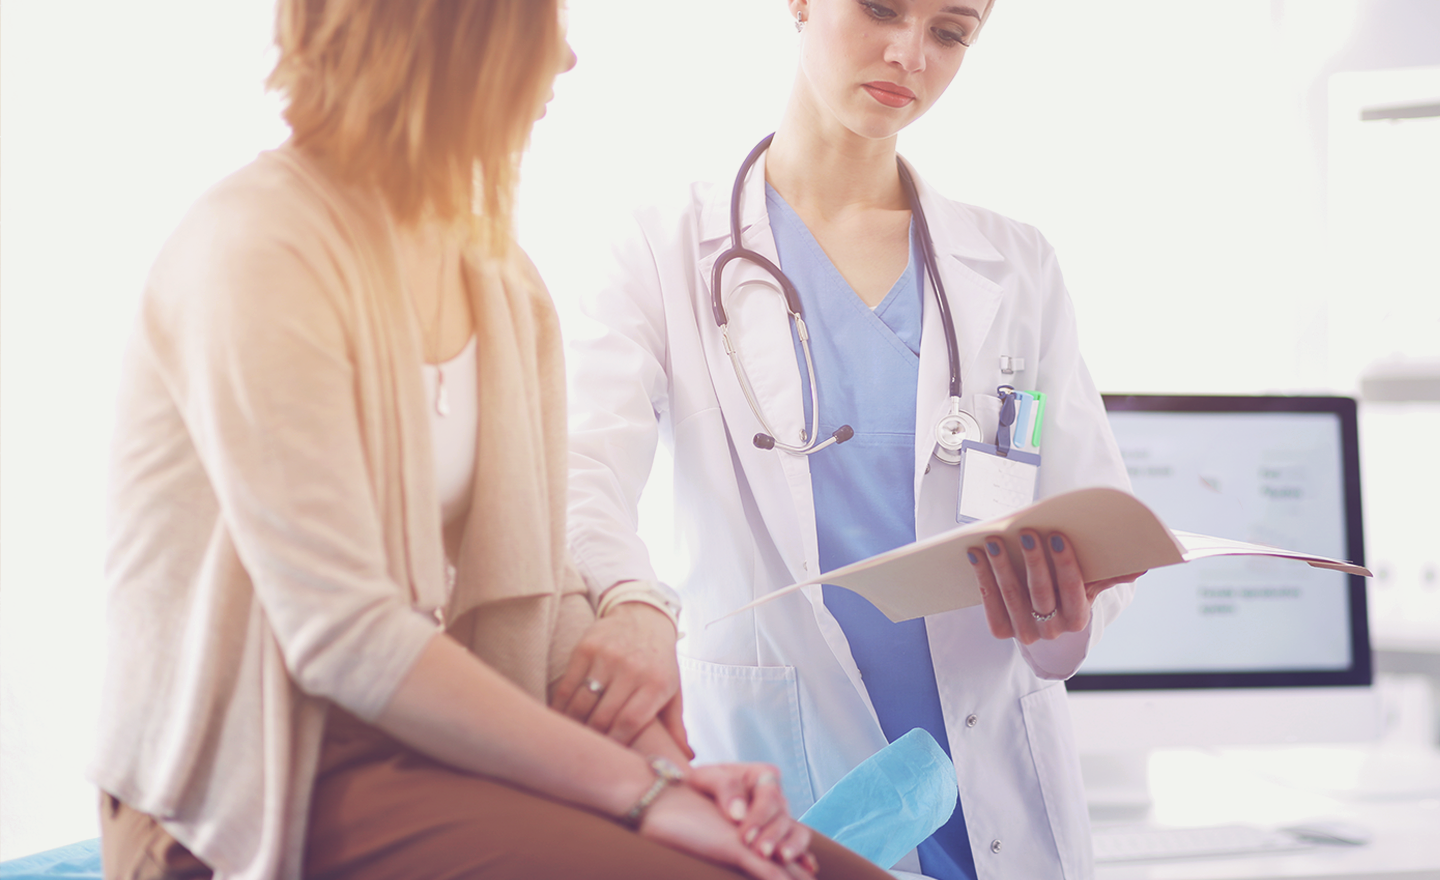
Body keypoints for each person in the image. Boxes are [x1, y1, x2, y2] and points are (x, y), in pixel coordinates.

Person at [88, 2, 896, 879]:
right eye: (539, 25)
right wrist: (645, 796)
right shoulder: (257, 249)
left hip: (435, 753)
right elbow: (346, 634)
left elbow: (534, 587)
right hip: (258, 785)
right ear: (440, 33)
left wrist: (676, 772)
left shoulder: (502, 281)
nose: (568, 57)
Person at [563, 1, 1143, 878]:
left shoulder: (1015, 265)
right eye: (881, 8)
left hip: (994, 800)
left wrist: (1065, 628)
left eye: (951, 32)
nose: (909, 53)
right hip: (791, 779)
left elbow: (1096, 515)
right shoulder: (661, 246)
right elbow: (576, 468)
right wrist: (630, 600)